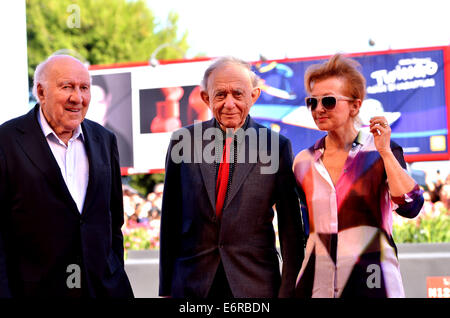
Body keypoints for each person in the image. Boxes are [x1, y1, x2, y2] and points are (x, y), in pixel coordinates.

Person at [159, 56, 304, 298]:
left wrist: (289, 292)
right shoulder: (182, 142)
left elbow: (291, 230)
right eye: (220, 95)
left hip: (256, 285)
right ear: (206, 98)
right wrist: (165, 289)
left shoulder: (275, 147)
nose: (229, 103)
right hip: (192, 286)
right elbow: (170, 219)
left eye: (238, 94)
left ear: (254, 96)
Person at [0, 55, 134, 298]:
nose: (78, 97)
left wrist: (114, 271)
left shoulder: (105, 139)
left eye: (84, 88)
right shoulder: (7, 140)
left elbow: (113, 222)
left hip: (103, 290)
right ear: (41, 92)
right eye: (67, 87)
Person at [293, 54, 424, 298]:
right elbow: (304, 231)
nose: (318, 109)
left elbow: (411, 205)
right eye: (312, 102)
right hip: (317, 286)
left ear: (355, 105)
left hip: (374, 285)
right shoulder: (302, 162)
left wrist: (384, 151)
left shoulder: (381, 151)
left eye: (329, 101)